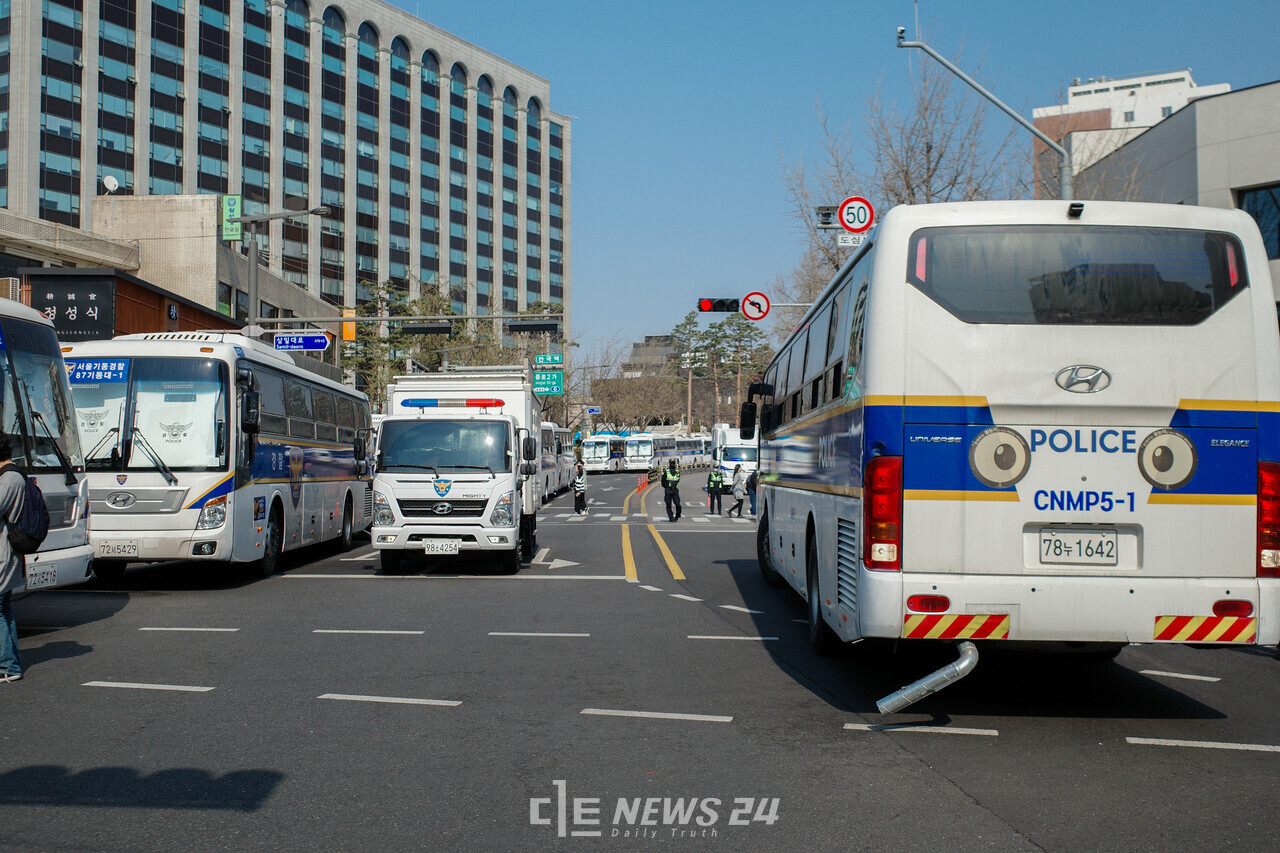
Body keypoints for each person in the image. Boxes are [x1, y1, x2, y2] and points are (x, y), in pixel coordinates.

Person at [0, 436, 27, 684]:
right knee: (4, 610)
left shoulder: (9, 479)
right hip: (5, 552)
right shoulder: (11, 476)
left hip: (3, 553)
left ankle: (8, 665)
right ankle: (10, 663)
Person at [661, 458, 682, 522]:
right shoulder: (666, 472)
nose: (672, 464)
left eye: (673, 463)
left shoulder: (677, 472)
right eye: (671, 463)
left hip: (675, 490)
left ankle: (678, 515)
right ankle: (671, 517)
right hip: (668, 490)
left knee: (678, 504)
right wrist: (667, 487)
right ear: (669, 464)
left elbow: (678, 480)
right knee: (668, 504)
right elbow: (663, 481)